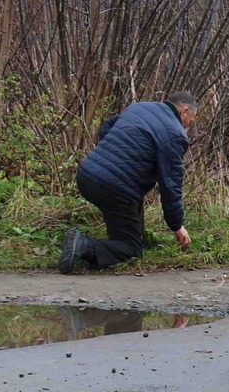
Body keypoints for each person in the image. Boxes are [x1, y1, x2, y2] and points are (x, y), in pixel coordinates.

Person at [61, 93, 197, 272]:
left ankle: (117, 242)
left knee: (130, 215)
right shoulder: (175, 134)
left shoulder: (140, 107)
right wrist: (177, 225)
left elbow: (105, 129)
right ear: (184, 111)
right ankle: (83, 245)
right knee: (131, 251)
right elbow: (171, 185)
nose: (187, 125)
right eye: (190, 120)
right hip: (114, 189)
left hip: (87, 174)